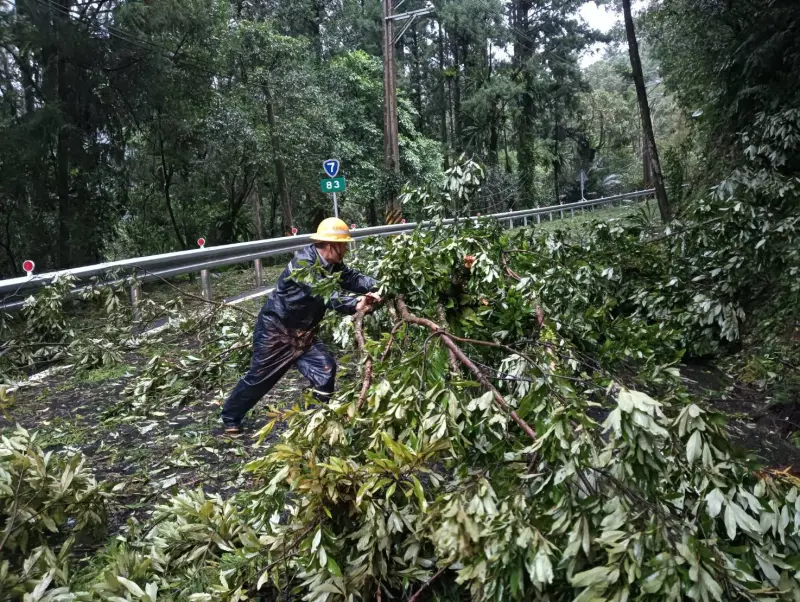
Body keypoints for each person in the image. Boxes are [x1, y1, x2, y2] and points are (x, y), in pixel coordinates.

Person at [220, 218, 381, 434]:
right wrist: (355, 304)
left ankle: (314, 418)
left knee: (325, 369)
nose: (345, 250)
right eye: (342, 245)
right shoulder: (304, 264)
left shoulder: (332, 264)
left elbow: (351, 278)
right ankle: (230, 416)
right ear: (329, 244)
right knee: (260, 378)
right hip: (276, 331)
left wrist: (379, 285)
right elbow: (321, 292)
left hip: (303, 334)